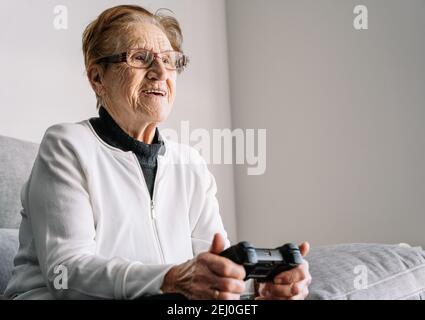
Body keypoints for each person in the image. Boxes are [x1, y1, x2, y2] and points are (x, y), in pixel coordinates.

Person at [5, 5, 311, 300]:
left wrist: (260, 288)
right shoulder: (67, 144)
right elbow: (66, 274)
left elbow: (215, 273)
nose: (160, 72)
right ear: (98, 78)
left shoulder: (189, 164)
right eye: (140, 58)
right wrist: (171, 280)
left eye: (169, 60)